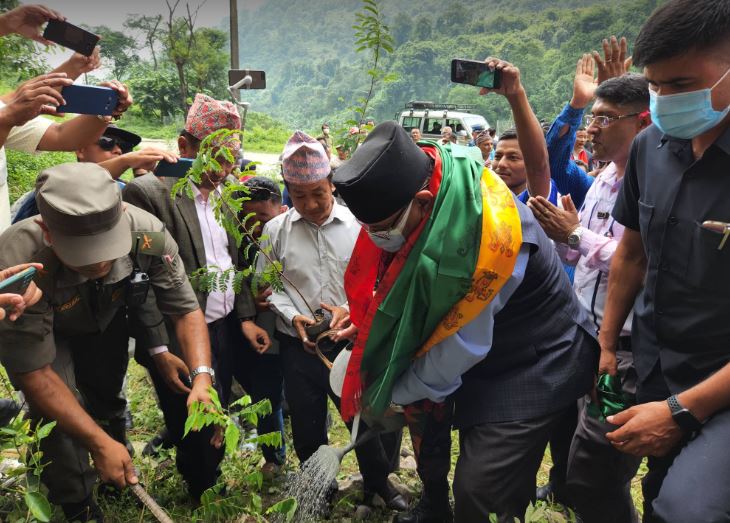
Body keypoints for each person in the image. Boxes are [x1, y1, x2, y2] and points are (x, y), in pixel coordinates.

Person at [333, 60, 597, 523]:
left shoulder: (487, 240)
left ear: (422, 203)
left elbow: (460, 346)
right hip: (476, 351)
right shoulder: (432, 180)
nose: (374, 239)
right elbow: (400, 278)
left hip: (535, 360)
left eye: (378, 229)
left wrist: (388, 395)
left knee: (480, 491)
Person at [0, 163, 215, 521]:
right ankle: (77, 500)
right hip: (46, 332)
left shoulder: (147, 233)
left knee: (106, 393)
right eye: (84, 252)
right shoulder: (17, 256)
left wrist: (203, 377)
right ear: (47, 232)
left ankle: (116, 464)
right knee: (56, 412)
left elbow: (185, 310)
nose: (99, 260)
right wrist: (97, 445)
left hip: (105, 319)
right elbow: (35, 373)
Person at [599, 1, 730, 521]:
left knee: (688, 508)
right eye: (654, 86)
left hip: (720, 379)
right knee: (636, 487)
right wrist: (609, 343)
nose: (664, 101)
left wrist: (681, 411)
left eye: (680, 84)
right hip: (657, 361)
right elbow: (631, 253)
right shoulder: (651, 147)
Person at [123, 93, 269, 499]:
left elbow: (233, 260)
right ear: (184, 146)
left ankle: (203, 469)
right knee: (197, 420)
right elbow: (142, 280)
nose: (222, 169)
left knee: (218, 404)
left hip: (222, 326)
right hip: (178, 335)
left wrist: (244, 317)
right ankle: (201, 488)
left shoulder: (227, 194)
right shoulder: (149, 195)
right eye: (214, 156)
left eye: (230, 159)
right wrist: (156, 348)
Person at [258, 131, 407, 513]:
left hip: (352, 341)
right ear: (288, 190)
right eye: (299, 195)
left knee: (363, 416)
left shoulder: (361, 226)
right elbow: (269, 288)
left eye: (318, 194)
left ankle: (377, 484)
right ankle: (317, 492)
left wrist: (350, 310)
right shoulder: (275, 232)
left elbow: (379, 281)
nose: (309, 204)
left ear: (331, 186)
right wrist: (295, 317)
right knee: (307, 423)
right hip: (299, 346)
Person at [528, 71, 651, 523]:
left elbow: (642, 258)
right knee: (585, 466)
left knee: (594, 472)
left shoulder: (658, 185)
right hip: (589, 338)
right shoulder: (603, 181)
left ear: (643, 122)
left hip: (628, 348)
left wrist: (576, 235)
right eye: (591, 118)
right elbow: (587, 256)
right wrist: (564, 238)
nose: (591, 129)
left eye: (604, 119)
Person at [11, 125, 176, 223]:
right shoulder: (53, 187)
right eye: (107, 142)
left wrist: (142, 178)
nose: (118, 150)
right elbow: (74, 185)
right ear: (81, 149)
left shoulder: (125, 187)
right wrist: (125, 161)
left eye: (124, 147)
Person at [238, 176, 289, 477]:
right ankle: (274, 457)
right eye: (246, 219)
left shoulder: (292, 235)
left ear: (281, 210)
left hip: (296, 334)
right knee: (265, 396)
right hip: (263, 336)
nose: (255, 227)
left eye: (262, 218)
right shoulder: (238, 243)